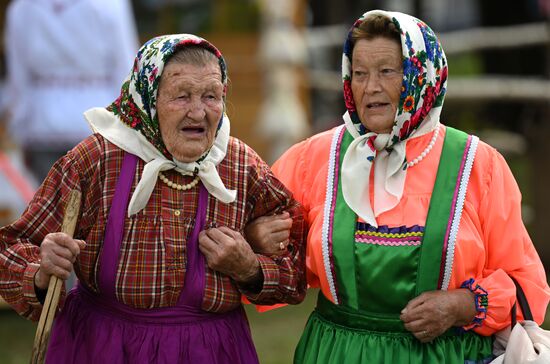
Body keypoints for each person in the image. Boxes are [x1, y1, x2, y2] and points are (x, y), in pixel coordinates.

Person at [246, 10, 550, 363]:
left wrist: (463, 305)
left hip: (445, 356)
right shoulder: (314, 159)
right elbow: (278, 273)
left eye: (387, 72)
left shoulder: (477, 165)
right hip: (337, 354)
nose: (370, 87)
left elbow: (527, 285)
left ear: (422, 75)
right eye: (359, 73)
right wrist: (255, 241)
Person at [0, 34, 306, 363]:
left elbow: (296, 269)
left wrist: (250, 267)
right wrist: (42, 272)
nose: (199, 113)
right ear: (148, 98)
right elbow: (12, 248)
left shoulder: (241, 167)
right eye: (181, 96)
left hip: (211, 351)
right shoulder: (97, 160)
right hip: (105, 348)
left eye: (211, 96)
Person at [3, 0, 138, 183]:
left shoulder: (22, 9)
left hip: (42, 123)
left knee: (51, 206)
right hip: (97, 122)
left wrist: (19, 124)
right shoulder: (110, 4)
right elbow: (125, 67)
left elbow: (19, 77)